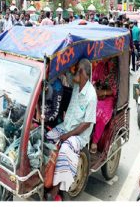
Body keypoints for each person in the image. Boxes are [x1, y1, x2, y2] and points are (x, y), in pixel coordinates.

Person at [46, 59, 97, 200]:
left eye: (77, 69)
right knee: (48, 138)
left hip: (79, 136)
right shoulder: (76, 85)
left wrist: (67, 135)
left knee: (65, 149)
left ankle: (56, 189)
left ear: (83, 73)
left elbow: (87, 123)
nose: (74, 72)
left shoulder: (91, 95)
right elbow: (67, 72)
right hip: (66, 127)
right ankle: (46, 176)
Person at [90, 58, 118, 153]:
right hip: (97, 92)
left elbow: (115, 90)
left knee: (100, 113)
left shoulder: (115, 69)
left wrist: (104, 92)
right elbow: (93, 79)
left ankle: (95, 141)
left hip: (109, 97)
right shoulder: (100, 65)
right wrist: (95, 90)